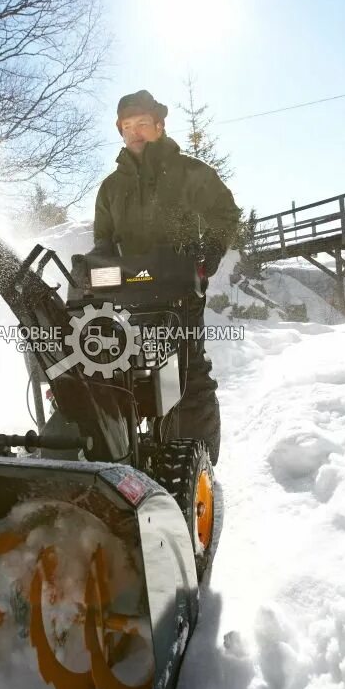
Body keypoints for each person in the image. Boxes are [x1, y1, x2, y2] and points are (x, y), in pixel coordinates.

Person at [92, 89, 240, 464]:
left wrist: (207, 257)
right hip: (129, 296)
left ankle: (199, 468)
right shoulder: (111, 187)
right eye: (127, 126)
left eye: (143, 123)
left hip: (179, 291)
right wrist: (96, 273)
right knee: (129, 376)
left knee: (186, 375)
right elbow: (104, 241)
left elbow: (225, 213)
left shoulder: (188, 172)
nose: (135, 132)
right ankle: (136, 457)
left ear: (160, 125)